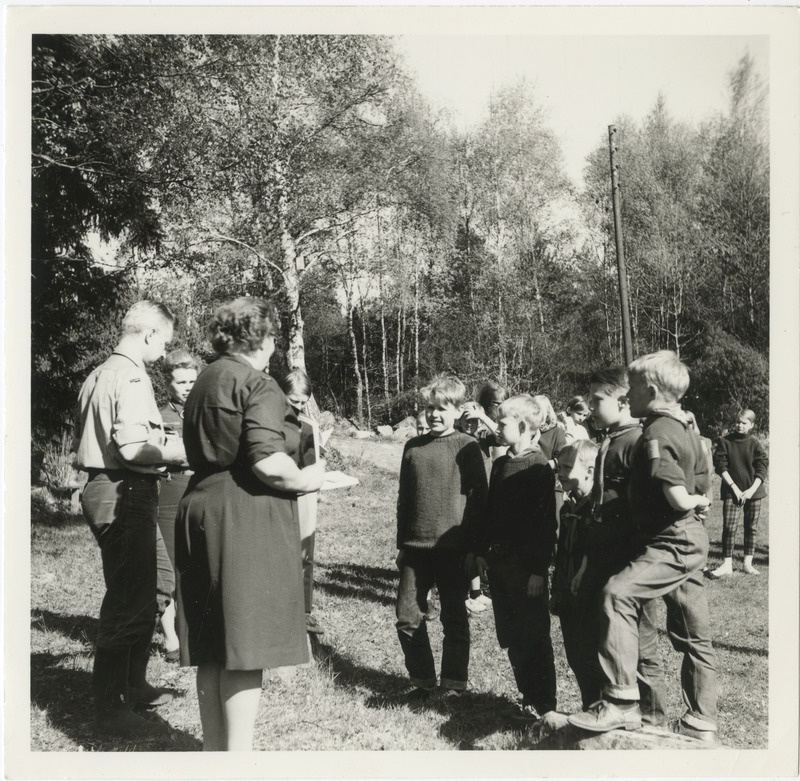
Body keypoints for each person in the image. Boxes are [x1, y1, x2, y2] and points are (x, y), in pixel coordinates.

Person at [174, 297, 325, 751]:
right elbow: (269, 462)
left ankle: (214, 754)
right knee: (244, 645)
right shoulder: (258, 383)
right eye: (273, 336)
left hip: (199, 508)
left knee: (212, 644)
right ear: (259, 339)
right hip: (242, 516)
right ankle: (237, 763)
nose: (275, 345)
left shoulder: (205, 377)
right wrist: (309, 478)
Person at [568, 351, 717, 742]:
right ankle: (701, 721)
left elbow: (677, 491)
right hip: (680, 539)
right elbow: (703, 478)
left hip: (665, 542)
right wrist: (700, 502)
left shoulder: (652, 433)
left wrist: (691, 503)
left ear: (648, 391)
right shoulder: (684, 428)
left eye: (631, 389)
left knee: (619, 599)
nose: (627, 396)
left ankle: (623, 703)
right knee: (692, 632)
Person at [73, 300, 187, 739]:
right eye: (164, 342)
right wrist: (185, 450)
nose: (163, 352)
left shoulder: (99, 373)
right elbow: (134, 450)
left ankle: (132, 684)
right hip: (124, 491)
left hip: (108, 488)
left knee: (158, 580)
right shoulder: (134, 376)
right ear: (147, 335)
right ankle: (109, 708)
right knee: (129, 598)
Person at [572, 366, 667, 724]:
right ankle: (611, 706)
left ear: (624, 400)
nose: (590, 406)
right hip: (601, 555)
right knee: (605, 640)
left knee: (641, 646)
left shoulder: (638, 443)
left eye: (598, 400)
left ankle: (654, 721)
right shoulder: (610, 440)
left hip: (628, 558)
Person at [395, 374, 488, 701]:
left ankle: (453, 683)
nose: (435, 414)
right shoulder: (412, 447)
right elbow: (404, 499)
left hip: (454, 550)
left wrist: (476, 549)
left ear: (458, 410)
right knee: (407, 617)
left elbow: (479, 501)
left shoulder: (468, 446)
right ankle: (422, 680)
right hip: (415, 549)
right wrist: (401, 546)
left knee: (453, 618)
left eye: (443, 408)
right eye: (430, 408)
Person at [474, 394, 558, 724]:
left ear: (523, 427)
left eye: (503, 422)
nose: (497, 426)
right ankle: (527, 696)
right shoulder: (499, 466)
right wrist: (481, 552)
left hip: (528, 573)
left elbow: (545, 526)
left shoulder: (538, 469)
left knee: (534, 636)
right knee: (511, 636)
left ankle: (546, 704)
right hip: (500, 568)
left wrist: (539, 571)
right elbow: (489, 515)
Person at [156, 349, 199, 663]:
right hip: (170, 492)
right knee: (170, 568)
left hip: (201, 491)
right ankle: (171, 638)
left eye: (192, 380)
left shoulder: (207, 411)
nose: (187, 386)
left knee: (197, 566)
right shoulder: (158, 416)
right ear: (167, 382)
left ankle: (193, 634)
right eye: (180, 381)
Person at [550, 439, 598, 709]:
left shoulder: (597, 508)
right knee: (575, 656)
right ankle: (588, 706)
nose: (561, 472)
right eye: (559, 466)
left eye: (568, 467)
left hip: (590, 597)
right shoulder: (568, 508)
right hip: (568, 594)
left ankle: (599, 708)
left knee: (591, 656)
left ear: (590, 471)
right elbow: (562, 554)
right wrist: (557, 590)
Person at [279, 367, 325, 635]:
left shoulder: (309, 426)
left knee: (304, 550)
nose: (297, 407)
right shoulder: (268, 421)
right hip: (276, 492)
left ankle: (304, 610)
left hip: (304, 493)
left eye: (302, 402)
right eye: (292, 400)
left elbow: (314, 463)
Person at [709, 409, 769, 578]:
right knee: (729, 527)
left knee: (751, 527)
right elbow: (721, 466)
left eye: (744, 423)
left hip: (753, 492)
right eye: (737, 421)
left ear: (751, 425)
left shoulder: (755, 443)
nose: (740, 425)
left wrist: (750, 491)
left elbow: (762, 467)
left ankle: (747, 564)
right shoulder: (725, 441)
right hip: (732, 491)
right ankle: (727, 564)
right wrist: (734, 488)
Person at [457, 400, 494, 615]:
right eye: (466, 419)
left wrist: (482, 418)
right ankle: (467, 594)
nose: (470, 424)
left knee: (479, 545)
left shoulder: (483, 438)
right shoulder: (457, 439)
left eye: (473, 420)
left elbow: (501, 435)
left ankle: (476, 592)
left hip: (484, 499)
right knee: (468, 547)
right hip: (465, 499)